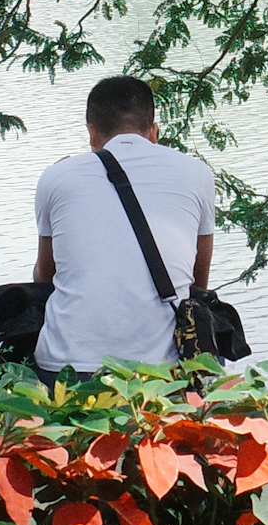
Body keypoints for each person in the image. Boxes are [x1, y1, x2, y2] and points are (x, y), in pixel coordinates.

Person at [32, 76, 215, 385]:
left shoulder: (56, 177)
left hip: (67, 365)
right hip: (162, 368)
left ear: (92, 133)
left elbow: (45, 276)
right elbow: (198, 283)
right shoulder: (197, 173)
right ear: (153, 132)